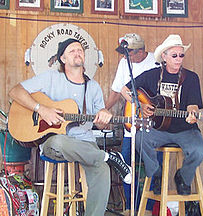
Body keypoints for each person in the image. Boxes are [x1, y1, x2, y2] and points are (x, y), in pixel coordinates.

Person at [9, 38, 132, 216]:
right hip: (55, 143)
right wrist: (41, 109)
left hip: (86, 143)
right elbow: (15, 91)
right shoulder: (50, 78)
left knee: (102, 169)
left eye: (80, 50)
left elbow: (98, 122)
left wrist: (104, 116)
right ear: (63, 59)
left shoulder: (93, 87)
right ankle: (108, 156)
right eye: (72, 50)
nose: (78, 52)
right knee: (60, 141)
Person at [121, 34, 203, 196]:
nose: (178, 59)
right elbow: (125, 90)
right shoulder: (151, 75)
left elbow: (193, 104)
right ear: (164, 56)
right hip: (158, 130)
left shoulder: (191, 78)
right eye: (174, 55)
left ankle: (183, 177)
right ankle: (156, 173)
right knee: (139, 139)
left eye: (181, 55)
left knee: (200, 151)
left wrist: (193, 113)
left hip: (185, 129)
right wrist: (141, 104)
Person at [105, 33, 159, 214]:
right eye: (124, 53)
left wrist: (144, 103)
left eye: (128, 53)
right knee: (126, 165)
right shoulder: (123, 63)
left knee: (153, 165)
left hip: (152, 126)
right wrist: (104, 110)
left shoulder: (155, 62)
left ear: (141, 51)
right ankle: (130, 207)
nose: (124, 57)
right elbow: (118, 89)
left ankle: (149, 209)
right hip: (131, 124)